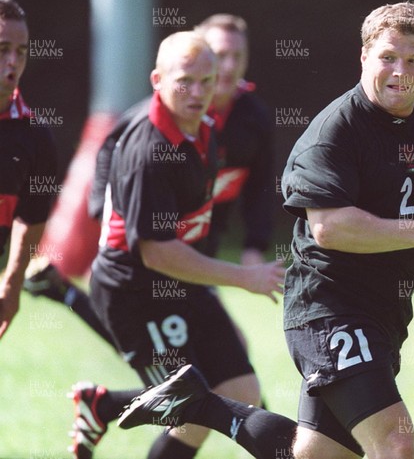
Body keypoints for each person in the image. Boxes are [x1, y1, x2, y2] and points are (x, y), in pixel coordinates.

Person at [115, 1, 414, 459]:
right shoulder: (336, 131)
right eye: (388, 57)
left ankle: (202, 404)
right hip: (329, 309)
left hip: (386, 314)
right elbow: (330, 228)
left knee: (316, 456)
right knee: (396, 441)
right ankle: (203, 405)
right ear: (364, 56)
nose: (400, 71)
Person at [69, 31, 284, 459]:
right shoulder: (148, 151)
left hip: (180, 281)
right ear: (157, 79)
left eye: (207, 81)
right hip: (133, 294)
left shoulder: (205, 129)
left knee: (242, 387)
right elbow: (157, 251)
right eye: (185, 80)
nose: (198, 92)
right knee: (190, 402)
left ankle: (103, 403)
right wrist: (245, 277)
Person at [25, 13, 274, 348]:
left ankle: (66, 297)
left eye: (237, 57)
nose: (229, 66)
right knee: (178, 358)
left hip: (200, 240)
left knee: (208, 363)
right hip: (150, 250)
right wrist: (106, 214)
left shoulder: (248, 120)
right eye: (220, 55)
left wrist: (254, 246)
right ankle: (107, 398)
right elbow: (109, 148)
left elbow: (261, 185)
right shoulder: (153, 130)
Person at [0, 0, 57, 339]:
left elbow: (32, 217)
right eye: (2, 48)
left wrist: (13, 282)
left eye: (20, 52)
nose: (12, 63)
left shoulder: (35, 138)